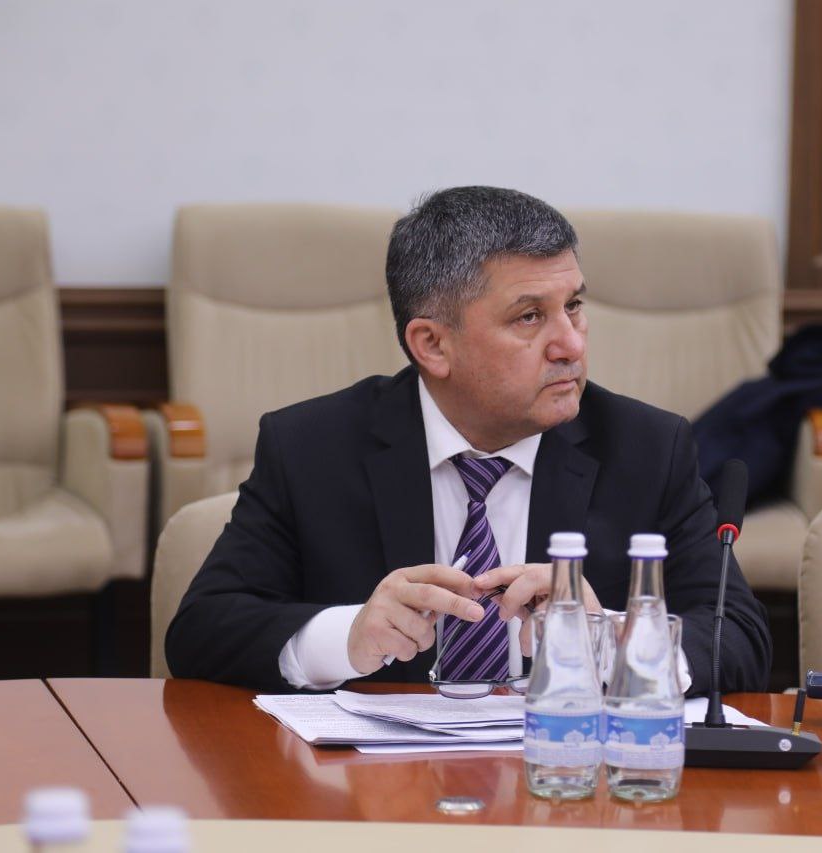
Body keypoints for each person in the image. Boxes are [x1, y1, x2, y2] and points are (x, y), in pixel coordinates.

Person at [165, 186, 771, 694]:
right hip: (377, 789)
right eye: (529, 317)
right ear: (432, 345)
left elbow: (740, 638)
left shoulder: (647, 448)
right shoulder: (311, 447)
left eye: (574, 306)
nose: (571, 343)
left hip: (563, 778)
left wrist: (609, 638)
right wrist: (348, 636)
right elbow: (202, 630)